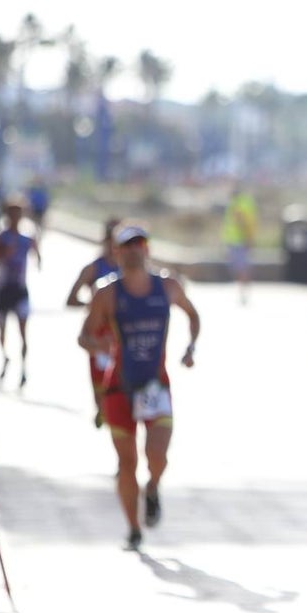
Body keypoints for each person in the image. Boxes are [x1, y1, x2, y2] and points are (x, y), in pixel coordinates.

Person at [78, 223, 200, 550]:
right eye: (126, 246)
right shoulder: (107, 293)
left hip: (155, 386)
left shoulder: (168, 287)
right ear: (116, 252)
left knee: (157, 455)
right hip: (119, 388)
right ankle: (133, 528)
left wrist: (190, 348)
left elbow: (193, 315)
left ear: (147, 249)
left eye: (139, 244)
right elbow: (84, 335)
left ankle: (154, 487)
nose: (133, 250)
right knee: (127, 463)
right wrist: (100, 347)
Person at [0, 196, 42, 386]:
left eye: (19, 213)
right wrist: (0, 253)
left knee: (24, 333)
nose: (15, 217)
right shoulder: (0, 238)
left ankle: (23, 368)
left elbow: (38, 259)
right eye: (12, 213)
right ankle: (5, 357)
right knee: (2, 331)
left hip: (20, 290)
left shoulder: (28, 239)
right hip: (3, 290)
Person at [66, 217, 122, 427]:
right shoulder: (94, 268)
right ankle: (103, 411)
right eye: (113, 241)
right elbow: (71, 299)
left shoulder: (133, 270)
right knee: (102, 388)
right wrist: (94, 306)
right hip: (99, 335)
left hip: (123, 334)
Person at [220, 183, 257, 304]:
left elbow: (243, 223)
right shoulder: (238, 202)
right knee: (240, 268)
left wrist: (247, 240)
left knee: (241, 268)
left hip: (239, 242)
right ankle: (243, 291)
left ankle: (243, 293)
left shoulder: (238, 204)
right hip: (235, 241)